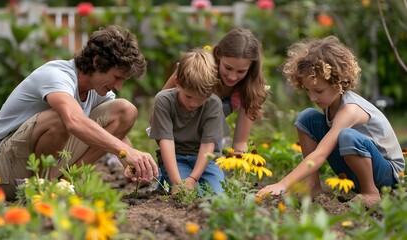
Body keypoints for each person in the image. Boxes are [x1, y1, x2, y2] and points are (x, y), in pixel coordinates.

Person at [0, 25, 159, 200]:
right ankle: (44, 189)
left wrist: (131, 163)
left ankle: (63, 181)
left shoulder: (96, 90)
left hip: (39, 166)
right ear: (97, 62)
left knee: (125, 111)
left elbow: (116, 133)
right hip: (4, 171)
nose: (119, 86)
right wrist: (124, 152)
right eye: (117, 77)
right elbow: (73, 120)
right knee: (61, 118)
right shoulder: (57, 76)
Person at [256, 36, 405, 206]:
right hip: (360, 169)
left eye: (318, 90)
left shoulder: (350, 110)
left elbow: (321, 154)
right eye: (307, 90)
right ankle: (312, 185)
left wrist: (282, 184)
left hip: (388, 176)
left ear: (338, 82)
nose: (312, 97)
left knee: (347, 136)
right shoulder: (330, 103)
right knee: (307, 118)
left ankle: (371, 193)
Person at [162, 28, 268, 154]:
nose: (233, 76)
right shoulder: (198, 68)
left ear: (251, 67)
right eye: (228, 68)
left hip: (209, 138)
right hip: (177, 138)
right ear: (217, 54)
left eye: (241, 71)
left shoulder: (251, 88)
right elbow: (160, 105)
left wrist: (240, 166)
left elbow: (240, 142)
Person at [149, 48, 230, 194]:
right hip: (176, 158)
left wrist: (193, 178)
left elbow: (208, 146)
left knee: (217, 196)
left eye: (200, 99)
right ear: (177, 82)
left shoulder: (213, 104)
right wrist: (177, 183)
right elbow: (166, 142)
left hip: (207, 161)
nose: (193, 104)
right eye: (188, 96)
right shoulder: (163, 101)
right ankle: (166, 181)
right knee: (190, 195)